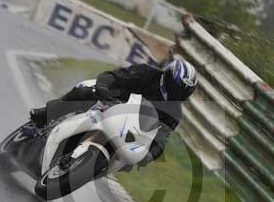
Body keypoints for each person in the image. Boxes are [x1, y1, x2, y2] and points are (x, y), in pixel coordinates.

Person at [23, 59, 198, 168]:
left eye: (182, 93)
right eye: (176, 89)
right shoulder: (146, 73)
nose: (176, 95)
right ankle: (43, 116)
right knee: (84, 93)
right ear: (166, 77)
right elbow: (114, 75)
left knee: (127, 163)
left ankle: (90, 168)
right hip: (111, 100)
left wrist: (150, 155)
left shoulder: (174, 112)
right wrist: (103, 88)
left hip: (130, 129)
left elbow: (162, 137)